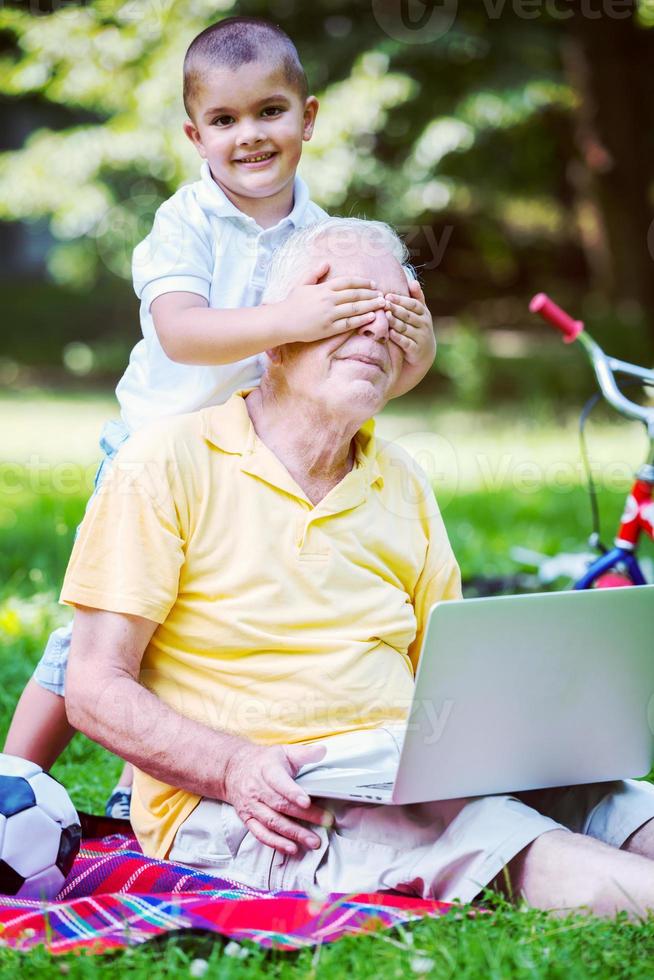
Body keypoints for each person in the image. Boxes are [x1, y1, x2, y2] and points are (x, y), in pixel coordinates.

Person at [63, 218, 654, 917]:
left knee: (622, 803)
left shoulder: (400, 478)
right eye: (346, 307)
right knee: (490, 834)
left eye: (395, 313)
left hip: (400, 768)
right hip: (263, 801)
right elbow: (93, 687)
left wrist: (523, 745)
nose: (376, 330)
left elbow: (452, 670)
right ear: (277, 332)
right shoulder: (164, 464)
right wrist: (234, 766)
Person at [3, 18, 436, 819]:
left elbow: (374, 371)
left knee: (208, 623)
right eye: (226, 121)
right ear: (194, 135)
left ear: (308, 118)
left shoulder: (324, 235)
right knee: (94, 644)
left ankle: (151, 781)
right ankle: (12, 784)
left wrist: (416, 339)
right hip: (156, 451)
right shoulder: (187, 222)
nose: (250, 136)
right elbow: (182, 331)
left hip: (258, 459)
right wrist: (291, 316)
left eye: (270, 112)